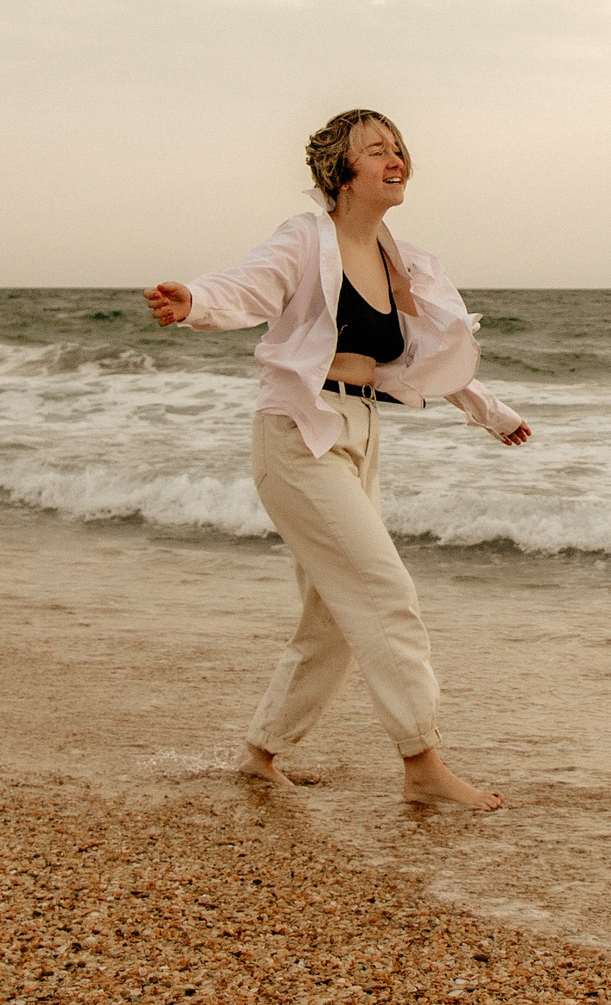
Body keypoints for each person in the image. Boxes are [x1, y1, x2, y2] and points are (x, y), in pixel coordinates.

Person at [146, 109, 530, 811]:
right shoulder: (305, 239)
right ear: (340, 171)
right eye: (376, 149)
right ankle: (423, 766)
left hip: (361, 428)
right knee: (385, 593)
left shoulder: (400, 258)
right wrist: (194, 299)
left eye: (398, 148)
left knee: (333, 613)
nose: (395, 158)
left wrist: (491, 414)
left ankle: (260, 754)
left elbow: (434, 351)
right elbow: (246, 284)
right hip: (298, 432)